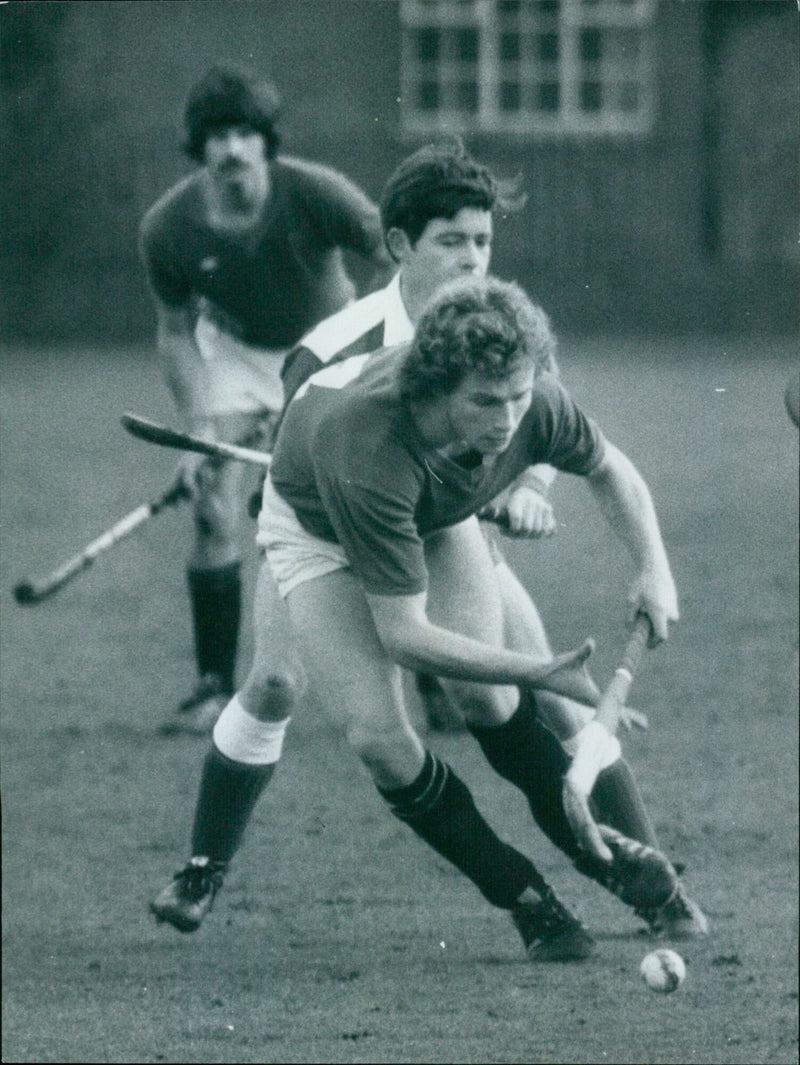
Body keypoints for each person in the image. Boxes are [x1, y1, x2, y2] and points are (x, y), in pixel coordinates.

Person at [150, 275, 708, 960]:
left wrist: (655, 566)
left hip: (436, 510)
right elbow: (405, 636)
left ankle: (619, 869)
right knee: (380, 739)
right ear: (438, 389)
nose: (507, 420)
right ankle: (523, 892)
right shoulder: (369, 443)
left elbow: (609, 468)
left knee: (489, 698)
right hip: (318, 529)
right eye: (484, 402)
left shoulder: (530, 402)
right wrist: (543, 670)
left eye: (518, 397)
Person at [139, 63, 391, 733]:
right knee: (213, 505)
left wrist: (360, 340)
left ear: (265, 142)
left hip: (334, 344)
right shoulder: (167, 228)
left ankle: (426, 675)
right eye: (215, 136)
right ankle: (211, 688)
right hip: (239, 357)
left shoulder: (313, 192)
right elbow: (174, 330)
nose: (230, 149)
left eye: (244, 133)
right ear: (199, 149)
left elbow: (392, 251)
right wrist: (197, 424)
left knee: (365, 505)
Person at [277, 139, 560, 731]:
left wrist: (531, 486)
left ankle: (600, 811)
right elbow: (293, 477)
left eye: (482, 241)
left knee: (555, 695)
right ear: (401, 245)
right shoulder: (331, 350)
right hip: (344, 541)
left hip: (458, 525)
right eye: (452, 242)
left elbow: (548, 424)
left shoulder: (503, 321)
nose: (472, 261)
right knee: (272, 683)